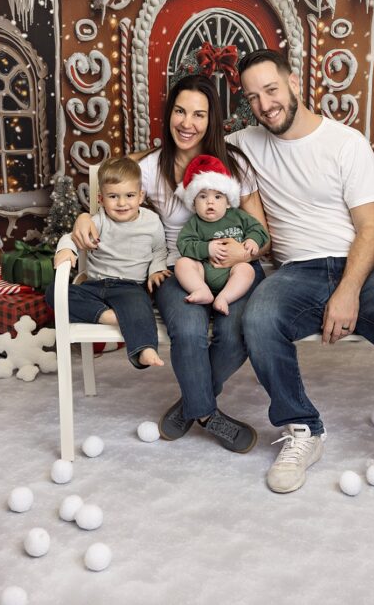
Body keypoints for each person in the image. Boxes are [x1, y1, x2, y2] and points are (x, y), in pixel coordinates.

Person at [231, 49, 374, 555]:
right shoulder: (243, 146)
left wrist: (347, 291)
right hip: (296, 271)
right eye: (253, 97)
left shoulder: (344, 142)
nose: (265, 104)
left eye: (272, 90)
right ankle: (303, 429)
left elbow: (368, 229)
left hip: (363, 265)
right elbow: (173, 157)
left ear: (293, 82)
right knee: (259, 317)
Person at [69, 75, 266, 454]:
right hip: (180, 267)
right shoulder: (148, 167)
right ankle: (208, 413)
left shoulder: (234, 165)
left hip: (235, 268)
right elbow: (112, 206)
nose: (187, 123)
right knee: (189, 330)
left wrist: (243, 254)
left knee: (236, 330)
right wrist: (82, 217)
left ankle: (191, 404)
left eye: (198, 114)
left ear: (212, 120)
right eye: (179, 111)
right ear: (168, 114)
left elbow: (262, 234)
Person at [49, 156, 168, 369]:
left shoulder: (151, 222)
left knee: (140, 306)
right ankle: (108, 316)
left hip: (129, 287)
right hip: (94, 285)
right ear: (101, 199)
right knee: (53, 293)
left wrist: (156, 270)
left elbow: (159, 249)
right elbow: (73, 236)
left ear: (141, 196)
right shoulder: (99, 220)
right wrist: (66, 248)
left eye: (129, 195)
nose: (122, 203)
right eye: (113, 196)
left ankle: (145, 349)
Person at [174, 154, 270, 315]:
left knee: (247, 270)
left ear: (227, 202)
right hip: (204, 271)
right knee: (182, 263)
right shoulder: (195, 223)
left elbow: (258, 229)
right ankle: (201, 290)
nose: (210, 202)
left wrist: (253, 240)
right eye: (203, 197)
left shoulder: (237, 216)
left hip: (233, 271)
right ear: (193, 202)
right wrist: (207, 248)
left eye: (218, 197)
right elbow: (184, 244)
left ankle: (224, 297)